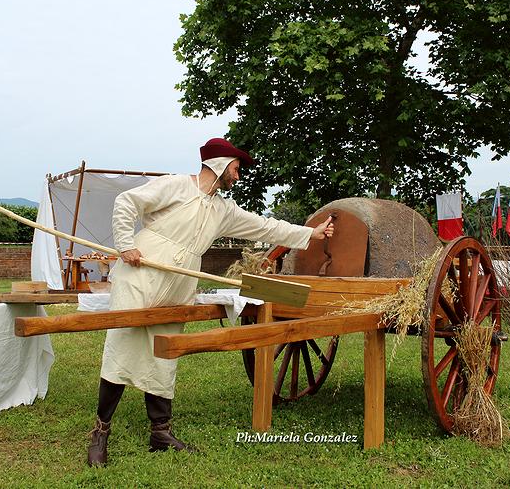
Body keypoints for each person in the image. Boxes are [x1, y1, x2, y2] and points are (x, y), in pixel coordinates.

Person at [87, 137, 334, 466]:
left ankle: (160, 432)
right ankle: (100, 432)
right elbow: (126, 202)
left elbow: (265, 225)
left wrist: (309, 233)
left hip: (178, 283)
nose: (238, 174)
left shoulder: (223, 210)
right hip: (142, 274)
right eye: (235, 167)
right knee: (122, 348)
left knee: (165, 353)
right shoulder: (176, 186)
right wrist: (125, 244)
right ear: (219, 163)